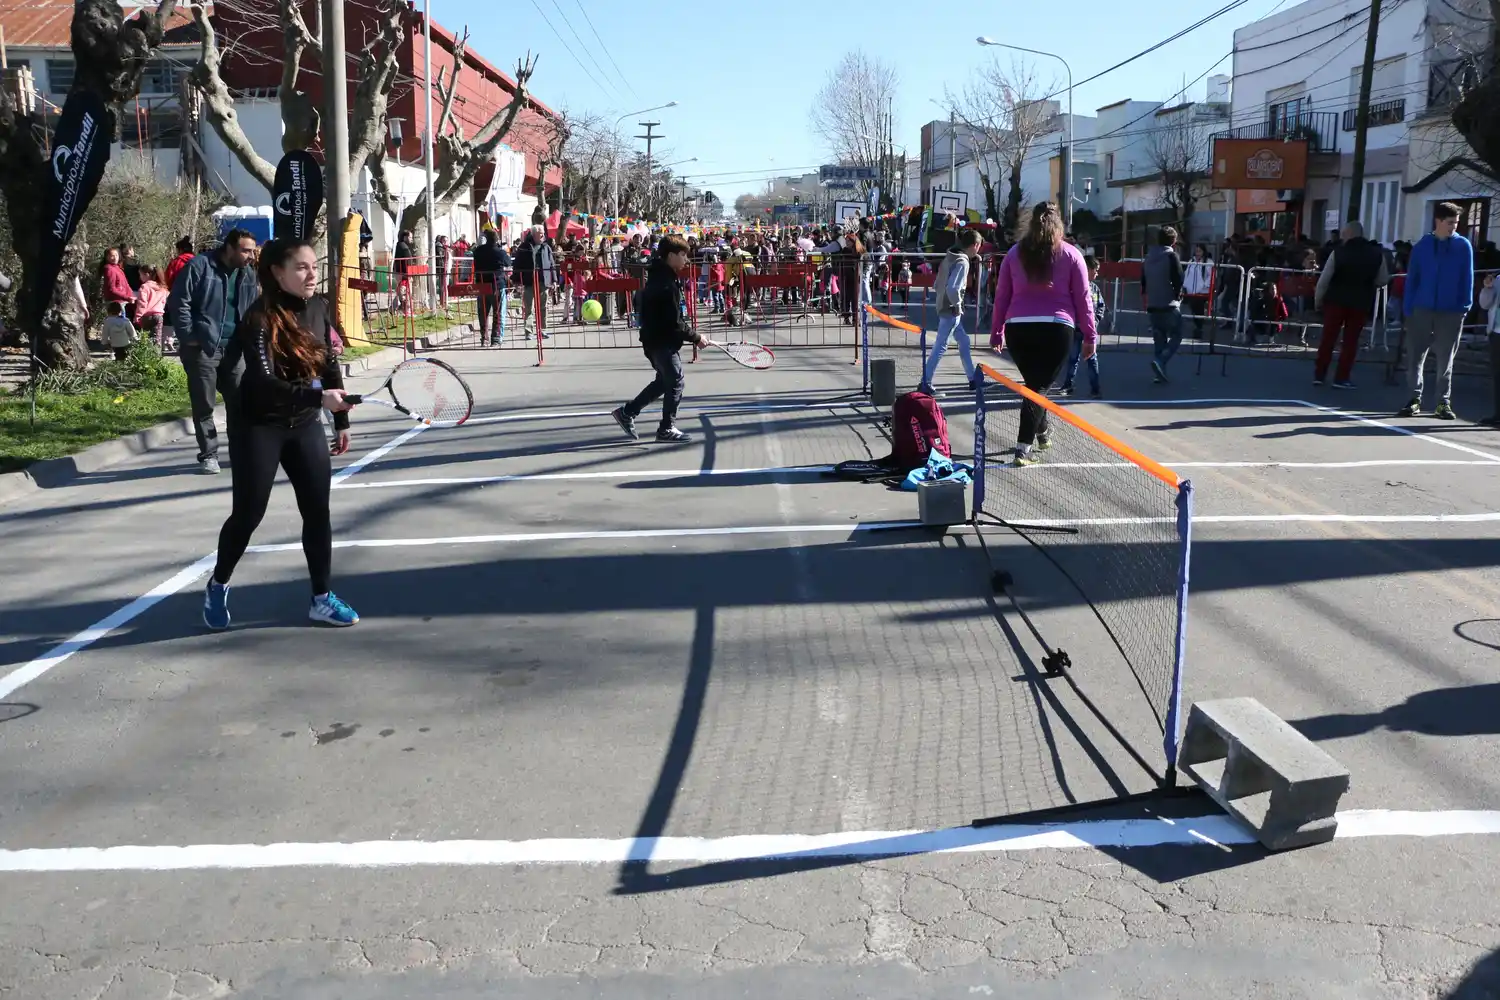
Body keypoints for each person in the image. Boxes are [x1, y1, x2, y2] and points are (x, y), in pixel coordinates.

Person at [202, 238, 358, 631]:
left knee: (317, 511)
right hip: (259, 424)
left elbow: (327, 363)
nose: (311, 273)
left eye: (312, 266)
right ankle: (218, 583)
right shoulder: (259, 318)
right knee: (249, 514)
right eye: (301, 267)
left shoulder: (319, 307)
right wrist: (319, 398)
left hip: (304, 423)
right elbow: (264, 381)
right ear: (277, 273)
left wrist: (340, 420)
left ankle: (321, 598)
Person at [990, 202, 1096, 466]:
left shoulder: (1014, 254)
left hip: (1018, 328)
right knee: (1037, 388)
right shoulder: (1072, 255)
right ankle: (1022, 447)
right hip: (1056, 327)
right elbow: (1084, 298)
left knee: (1035, 385)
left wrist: (996, 331)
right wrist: (1090, 335)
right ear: (1059, 223)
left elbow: (1002, 295)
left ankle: (1043, 433)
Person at [167, 228, 259, 475]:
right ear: (229, 247)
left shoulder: (248, 273)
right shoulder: (200, 266)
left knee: (238, 403)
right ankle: (209, 455)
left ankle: (239, 452)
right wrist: (189, 336)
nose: (251, 255)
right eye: (245, 250)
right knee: (204, 404)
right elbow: (179, 301)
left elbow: (252, 310)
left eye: (252, 250)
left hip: (235, 348)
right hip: (204, 348)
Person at [610, 235, 709, 444]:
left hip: (655, 339)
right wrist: (696, 337)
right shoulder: (665, 284)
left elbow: (674, 319)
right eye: (683, 255)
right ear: (671, 256)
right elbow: (674, 322)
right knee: (675, 382)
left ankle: (627, 412)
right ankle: (666, 428)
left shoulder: (663, 278)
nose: (686, 260)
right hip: (659, 341)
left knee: (664, 382)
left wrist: (691, 335)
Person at [1399, 202, 1474, 419]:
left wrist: (1464, 307)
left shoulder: (1463, 246)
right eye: (1450, 223)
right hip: (1421, 310)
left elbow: (1466, 279)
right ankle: (1414, 398)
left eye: (1456, 223)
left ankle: (1443, 402)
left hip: (1450, 312)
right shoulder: (1422, 246)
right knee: (1415, 356)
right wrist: (1408, 309)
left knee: (1445, 358)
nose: (1454, 227)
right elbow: (1413, 279)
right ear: (1438, 221)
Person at [1312, 221, 1389, 388]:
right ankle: (1342, 377)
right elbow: (1383, 279)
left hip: (1335, 300)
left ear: (1349, 234)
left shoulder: (1338, 253)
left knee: (1328, 338)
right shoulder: (1377, 254)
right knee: (1351, 341)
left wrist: (1318, 300)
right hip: (1360, 302)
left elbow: (1324, 280)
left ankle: (1320, 374)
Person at [919, 228, 981, 393]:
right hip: (951, 310)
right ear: (975, 245)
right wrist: (958, 306)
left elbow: (938, 282)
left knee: (964, 341)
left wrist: (942, 297)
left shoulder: (950, 257)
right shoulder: (962, 262)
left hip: (945, 306)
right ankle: (925, 382)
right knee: (940, 346)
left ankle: (973, 379)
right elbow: (953, 288)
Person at [1141, 226, 1185, 382]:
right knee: (1177, 334)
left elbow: (1143, 280)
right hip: (1169, 303)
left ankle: (1159, 373)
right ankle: (1161, 361)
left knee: (1159, 338)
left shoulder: (1148, 257)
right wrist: (1178, 294)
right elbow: (1179, 277)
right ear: (1173, 241)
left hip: (1153, 303)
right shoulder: (1172, 256)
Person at [1059, 254, 1105, 399]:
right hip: (1075, 329)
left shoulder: (1095, 289)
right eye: (1095, 270)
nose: (1097, 273)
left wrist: (1095, 320)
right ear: (1086, 269)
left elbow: (1101, 306)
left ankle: (1095, 388)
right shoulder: (1073, 287)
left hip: (1089, 331)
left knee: (1091, 359)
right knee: (1073, 358)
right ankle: (1068, 384)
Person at [472, 229, 511, 346]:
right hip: (497, 285)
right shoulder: (500, 252)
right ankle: (495, 338)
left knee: (483, 313)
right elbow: (508, 263)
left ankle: (484, 338)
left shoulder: (478, 251)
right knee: (497, 313)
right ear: (497, 239)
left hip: (482, 285)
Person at [135, 265, 171, 352]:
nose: (140, 278)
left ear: (147, 274)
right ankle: (156, 357)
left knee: (146, 338)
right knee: (157, 338)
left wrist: (138, 316)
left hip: (146, 316)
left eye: (141, 275)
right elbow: (165, 300)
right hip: (158, 316)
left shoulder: (144, 287)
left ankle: (147, 357)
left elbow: (142, 303)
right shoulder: (163, 288)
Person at [1480, 273, 1500, 426]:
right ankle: (1497, 415)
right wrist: (1487, 289)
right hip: (1496, 333)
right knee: (1497, 375)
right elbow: (1484, 304)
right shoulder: (1498, 280)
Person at [1183, 244, 1213, 338]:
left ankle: (1199, 327)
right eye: (1196, 251)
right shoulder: (1191, 261)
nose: (1198, 253)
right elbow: (1186, 273)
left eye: (1199, 251)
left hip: (1202, 291)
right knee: (1193, 308)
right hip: (1191, 290)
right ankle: (1198, 325)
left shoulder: (1208, 262)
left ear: (1204, 252)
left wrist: (1204, 285)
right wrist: (1185, 285)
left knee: (1198, 309)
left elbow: (1211, 276)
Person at [100, 247, 135, 322]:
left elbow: (126, 285)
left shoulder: (118, 268)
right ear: (107, 257)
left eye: (116, 255)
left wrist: (131, 296)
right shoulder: (109, 269)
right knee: (119, 328)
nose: (115, 258)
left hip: (122, 302)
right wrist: (127, 297)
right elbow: (112, 289)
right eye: (112, 255)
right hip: (116, 304)